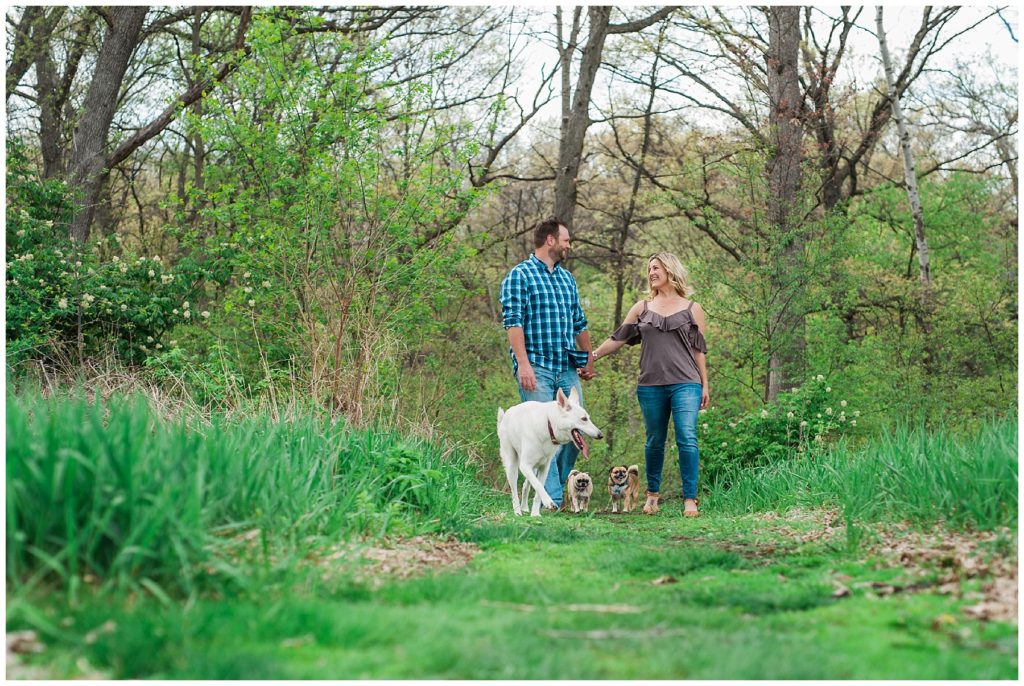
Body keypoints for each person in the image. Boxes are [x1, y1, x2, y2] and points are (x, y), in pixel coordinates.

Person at [590, 252, 709, 517]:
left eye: (656, 267)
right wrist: (593, 357)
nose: (651, 272)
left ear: (670, 270)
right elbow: (618, 339)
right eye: (649, 269)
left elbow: (699, 351)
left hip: (686, 383)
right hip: (651, 385)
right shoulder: (642, 308)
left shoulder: (693, 309)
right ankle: (652, 496)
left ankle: (690, 499)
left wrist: (705, 385)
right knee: (654, 439)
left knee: (686, 437)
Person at [500, 216, 595, 509]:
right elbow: (513, 324)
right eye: (566, 240)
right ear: (550, 240)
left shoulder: (567, 279)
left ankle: (556, 488)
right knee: (543, 435)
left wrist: (588, 358)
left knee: (574, 429)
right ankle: (551, 500)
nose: (569, 245)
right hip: (537, 368)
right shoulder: (520, 276)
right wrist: (524, 365)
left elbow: (579, 323)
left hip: (566, 367)